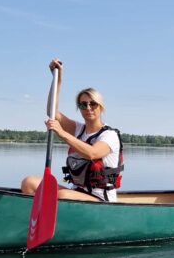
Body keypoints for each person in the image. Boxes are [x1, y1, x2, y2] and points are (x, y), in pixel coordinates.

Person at [21, 58, 123, 201]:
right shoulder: (79, 129)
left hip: (100, 198)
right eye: (83, 105)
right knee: (29, 183)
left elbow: (92, 154)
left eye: (92, 104)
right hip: (77, 192)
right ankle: (35, 220)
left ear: (100, 107)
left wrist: (61, 133)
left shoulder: (109, 135)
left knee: (62, 195)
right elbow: (52, 112)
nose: (88, 108)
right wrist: (57, 79)